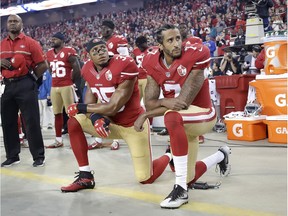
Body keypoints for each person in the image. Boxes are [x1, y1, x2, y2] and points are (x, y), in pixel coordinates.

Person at [60, 39, 231, 197]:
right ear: (88, 56)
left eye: (102, 49)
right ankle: (85, 175)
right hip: (109, 123)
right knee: (74, 121)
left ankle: (169, 156)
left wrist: (81, 107)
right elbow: (92, 101)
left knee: (145, 178)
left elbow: (113, 106)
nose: (101, 53)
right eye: (95, 51)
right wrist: (97, 117)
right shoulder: (87, 69)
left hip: (133, 126)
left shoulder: (124, 64)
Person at [134, 24, 230, 209]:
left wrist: (147, 114)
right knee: (190, 176)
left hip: (203, 113)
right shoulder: (151, 61)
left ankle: (180, 189)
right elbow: (151, 102)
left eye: (178, 38)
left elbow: (182, 103)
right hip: (182, 120)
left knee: (172, 116)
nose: (177, 43)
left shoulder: (195, 54)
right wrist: (163, 103)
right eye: (170, 40)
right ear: (160, 45)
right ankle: (221, 155)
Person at [0, 14, 47, 167]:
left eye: (15, 21)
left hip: (25, 83)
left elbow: (43, 64)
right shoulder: (1, 45)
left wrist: (32, 79)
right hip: (8, 85)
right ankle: (13, 155)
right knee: (8, 122)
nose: (12, 24)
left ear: (21, 24)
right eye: (10, 22)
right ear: (7, 25)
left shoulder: (31, 43)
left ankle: (38, 156)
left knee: (31, 121)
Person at [88, 19, 129, 150]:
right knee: (100, 106)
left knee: (114, 108)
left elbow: (126, 59)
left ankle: (116, 139)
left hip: (115, 78)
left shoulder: (119, 40)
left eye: (106, 27)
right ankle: (98, 138)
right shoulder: (99, 41)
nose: (103, 29)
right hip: (101, 77)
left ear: (112, 29)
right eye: (102, 27)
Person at [45, 32, 81, 148]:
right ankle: (58, 140)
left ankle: (76, 139)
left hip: (66, 85)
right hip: (54, 86)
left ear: (62, 40)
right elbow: (50, 70)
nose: (52, 41)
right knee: (57, 114)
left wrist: (71, 82)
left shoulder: (69, 51)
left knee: (71, 113)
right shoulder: (49, 53)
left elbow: (77, 68)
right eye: (52, 39)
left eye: (55, 39)